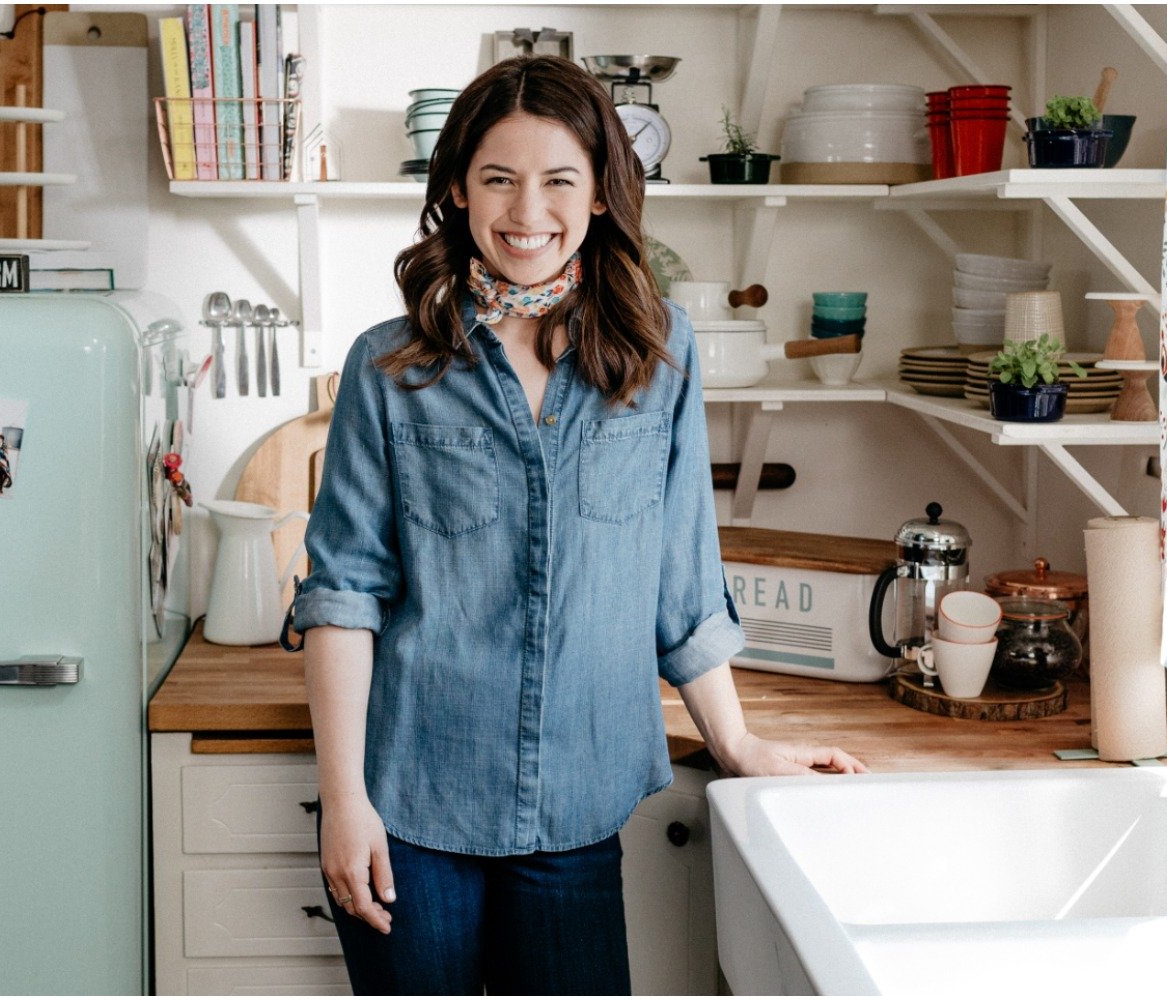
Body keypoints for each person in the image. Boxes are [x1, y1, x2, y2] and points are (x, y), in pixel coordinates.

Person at [281, 55, 864, 997]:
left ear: (599, 195)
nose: (527, 211)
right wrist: (343, 804)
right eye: (499, 179)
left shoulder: (658, 355)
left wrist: (738, 743)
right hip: (412, 809)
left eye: (559, 180)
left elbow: (681, 580)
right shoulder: (388, 368)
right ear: (458, 191)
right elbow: (344, 594)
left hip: (579, 812)